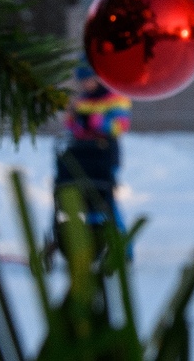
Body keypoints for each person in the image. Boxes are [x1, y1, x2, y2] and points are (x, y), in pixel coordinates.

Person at [51, 62, 129, 254]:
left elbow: (120, 126)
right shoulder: (81, 101)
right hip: (81, 156)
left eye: (89, 79)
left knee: (105, 198)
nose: (86, 84)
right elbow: (74, 129)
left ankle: (123, 247)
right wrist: (73, 121)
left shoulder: (115, 98)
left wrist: (96, 121)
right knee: (77, 196)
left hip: (105, 157)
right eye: (82, 80)